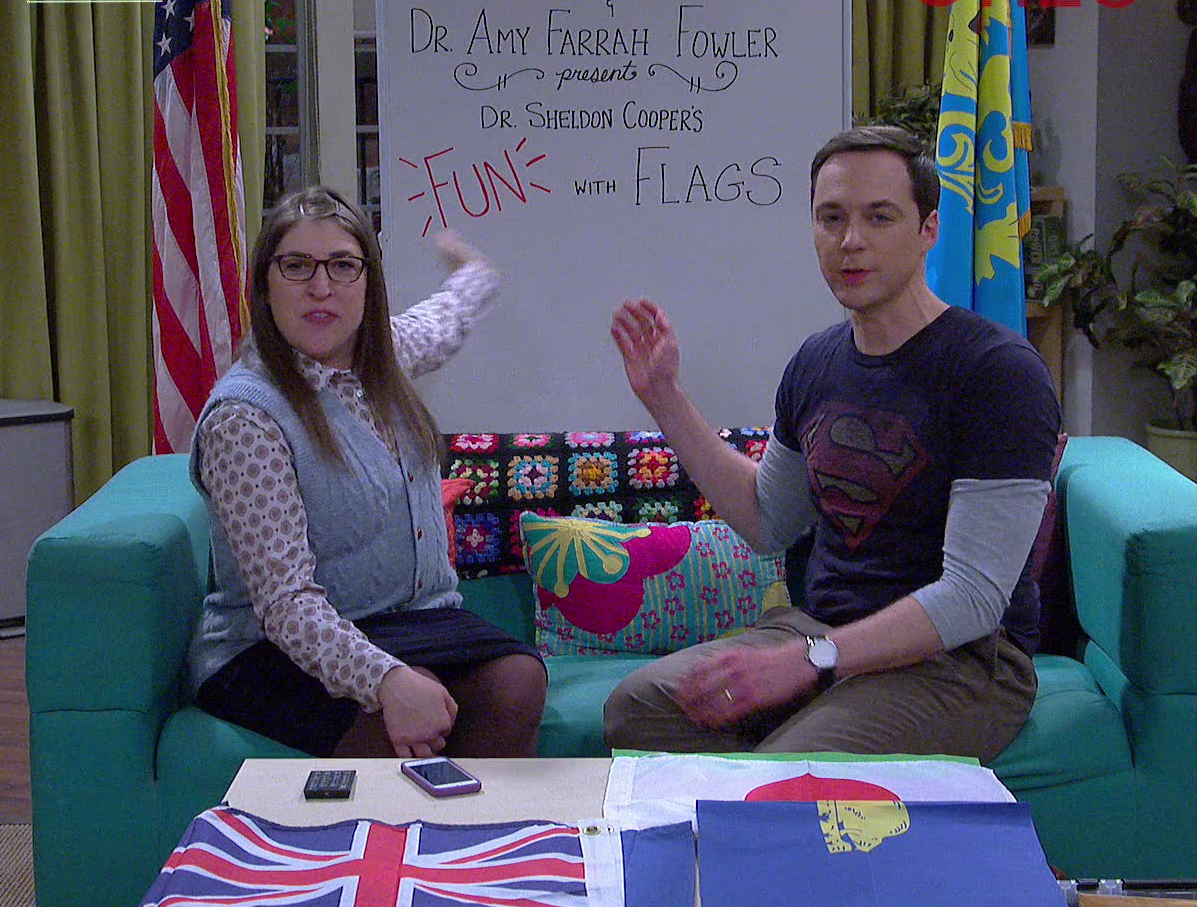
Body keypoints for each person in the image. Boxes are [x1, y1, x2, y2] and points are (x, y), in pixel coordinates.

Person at [603, 125, 1060, 758]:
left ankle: (771, 791)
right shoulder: (816, 362)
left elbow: (974, 598)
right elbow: (768, 521)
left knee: (786, 773)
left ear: (928, 229)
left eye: (880, 217)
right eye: (831, 218)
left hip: (961, 659)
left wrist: (812, 660)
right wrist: (664, 396)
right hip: (821, 629)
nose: (851, 241)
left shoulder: (998, 372)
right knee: (638, 708)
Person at [187, 186, 547, 760]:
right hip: (269, 646)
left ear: (367, 284)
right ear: (265, 285)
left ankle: (476, 821)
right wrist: (387, 680)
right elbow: (284, 604)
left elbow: (445, 320)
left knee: (517, 681)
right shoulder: (245, 419)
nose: (321, 287)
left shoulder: (382, 357)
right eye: (296, 265)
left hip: (403, 622)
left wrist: (473, 271)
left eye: (342, 265)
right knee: (402, 727)